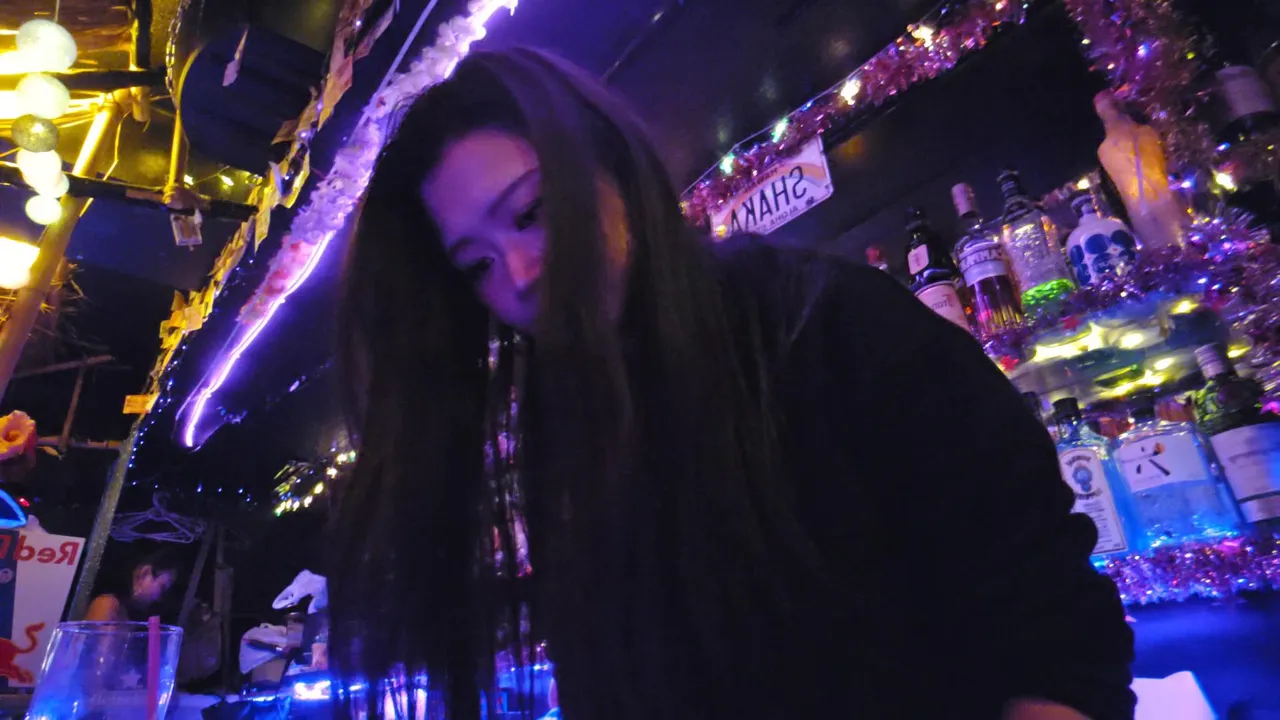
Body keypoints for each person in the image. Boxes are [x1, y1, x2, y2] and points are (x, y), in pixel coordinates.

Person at [330, 48, 1135, 719]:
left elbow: (1053, 634)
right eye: (475, 265)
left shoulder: (827, 323)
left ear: (611, 165)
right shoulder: (569, 435)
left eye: (533, 212)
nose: (518, 273)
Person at [85, 548, 180, 622]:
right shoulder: (107, 605)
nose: (158, 599)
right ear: (145, 572)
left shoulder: (125, 613)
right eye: (162, 587)